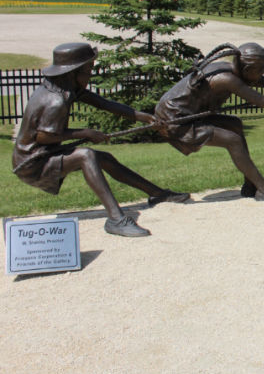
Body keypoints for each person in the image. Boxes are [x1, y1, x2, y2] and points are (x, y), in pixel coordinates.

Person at [12, 42, 188, 237]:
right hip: (32, 163)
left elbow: (104, 103)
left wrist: (144, 117)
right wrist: (86, 133)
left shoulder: (63, 88)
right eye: (88, 71)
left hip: (44, 154)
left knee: (104, 158)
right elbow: (43, 137)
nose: (90, 75)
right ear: (73, 72)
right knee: (86, 155)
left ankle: (158, 194)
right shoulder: (56, 101)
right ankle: (116, 219)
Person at [155, 43, 264, 200]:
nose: (263, 73)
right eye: (261, 70)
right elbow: (262, 101)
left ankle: (251, 183)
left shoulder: (232, 69)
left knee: (235, 125)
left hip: (187, 115)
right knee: (233, 140)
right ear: (247, 69)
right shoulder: (226, 78)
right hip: (174, 121)